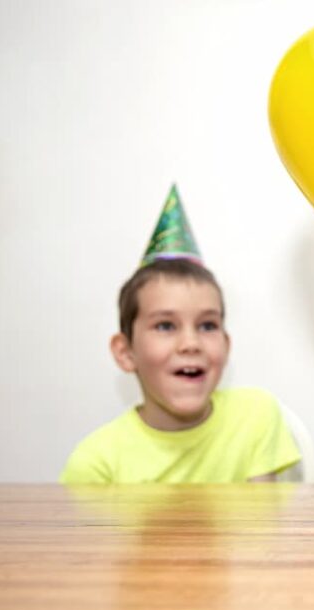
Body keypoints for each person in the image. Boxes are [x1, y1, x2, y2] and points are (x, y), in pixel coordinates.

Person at [60, 185, 300, 483]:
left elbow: (261, 527)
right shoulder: (96, 463)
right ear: (125, 352)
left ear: (226, 345)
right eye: (165, 326)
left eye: (207, 325)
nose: (190, 343)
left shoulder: (256, 416)